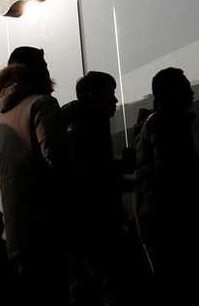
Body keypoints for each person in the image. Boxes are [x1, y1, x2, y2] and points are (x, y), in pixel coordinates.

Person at [62, 71, 147, 305]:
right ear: (92, 96)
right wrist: (124, 171)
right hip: (99, 223)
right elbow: (94, 178)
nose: (115, 100)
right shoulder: (87, 128)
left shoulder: (81, 126)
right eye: (110, 93)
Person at [0, 46, 69, 304]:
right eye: (44, 65)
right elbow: (57, 159)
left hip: (18, 231)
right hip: (48, 226)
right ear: (34, 70)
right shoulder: (42, 103)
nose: (48, 70)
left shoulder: (1, 121)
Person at [135, 67, 199, 305]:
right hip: (170, 219)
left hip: (159, 218)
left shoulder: (158, 123)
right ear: (171, 93)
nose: (191, 92)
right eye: (185, 88)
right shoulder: (167, 124)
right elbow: (172, 172)